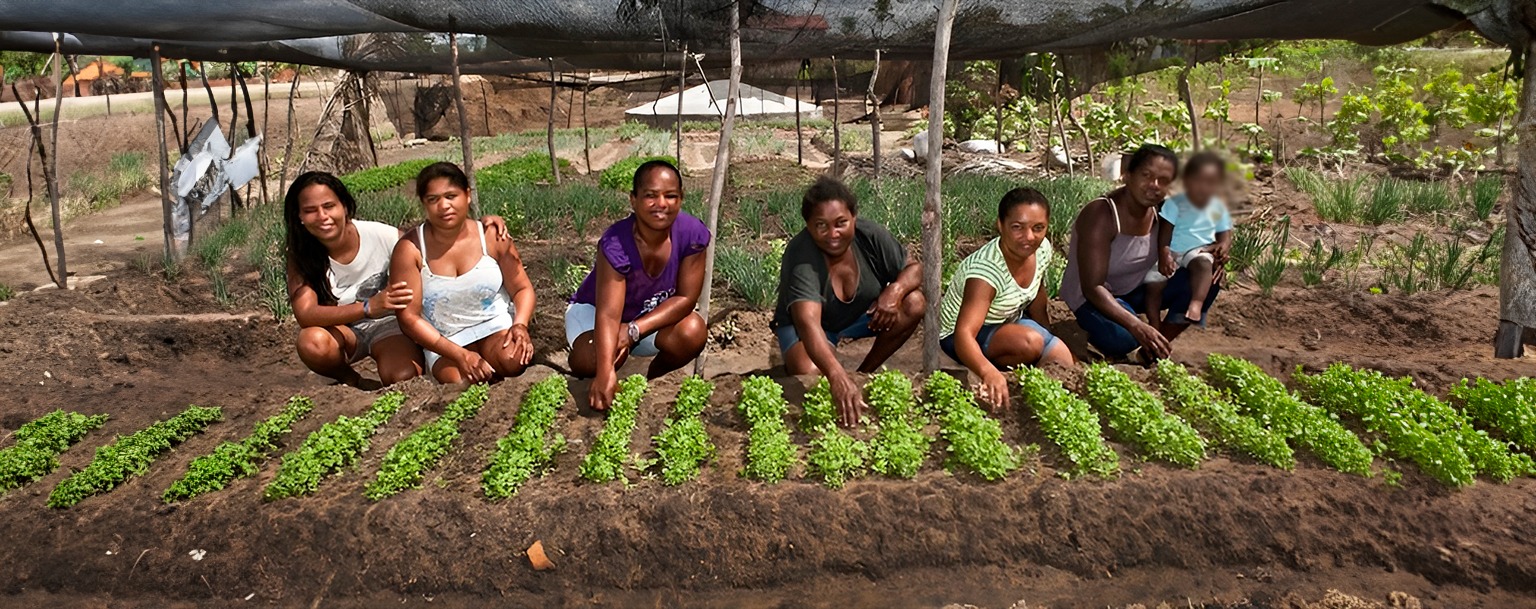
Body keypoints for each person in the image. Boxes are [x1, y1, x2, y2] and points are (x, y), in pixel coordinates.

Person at [284, 171, 510, 387]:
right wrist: (367, 307)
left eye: (329, 206)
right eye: (310, 210)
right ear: (299, 217)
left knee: (402, 376)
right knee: (312, 342)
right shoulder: (301, 255)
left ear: (344, 206)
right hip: (346, 329)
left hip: (390, 324)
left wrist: (477, 226)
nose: (322, 217)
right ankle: (351, 380)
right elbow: (306, 314)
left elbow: (427, 240)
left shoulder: (379, 235)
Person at [772, 176, 925, 427]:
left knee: (914, 303)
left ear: (854, 217)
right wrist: (836, 376)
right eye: (821, 225)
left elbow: (915, 269)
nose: (833, 234)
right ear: (808, 226)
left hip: (859, 316)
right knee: (809, 372)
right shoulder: (802, 255)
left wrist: (895, 290)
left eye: (841, 223)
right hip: (809, 327)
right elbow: (808, 323)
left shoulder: (869, 235)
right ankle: (840, 373)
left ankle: (864, 373)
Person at [567, 160, 710, 411]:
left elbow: (686, 299)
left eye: (670, 196)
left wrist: (633, 330)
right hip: (595, 313)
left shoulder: (691, 233)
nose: (661, 204)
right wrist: (604, 372)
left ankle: (647, 379)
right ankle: (602, 374)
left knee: (692, 331)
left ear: (681, 199)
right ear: (633, 200)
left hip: (646, 318)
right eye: (650, 196)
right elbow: (609, 314)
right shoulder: (616, 243)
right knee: (596, 359)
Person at [1059, 144, 1220, 363]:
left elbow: (1196, 240)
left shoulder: (1163, 212)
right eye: (1146, 175)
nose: (1154, 185)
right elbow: (1092, 287)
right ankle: (1134, 338)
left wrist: (1212, 256)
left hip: (1133, 290)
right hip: (1090, 298)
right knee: (1125, 339)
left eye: (1164, 180)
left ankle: (1153, 348)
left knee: (1208, 280)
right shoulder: (1102, 214)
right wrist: (1136, 325)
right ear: (1128, 174)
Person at [390, 162, 536, 384]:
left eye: (451, 196)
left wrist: (520, 325)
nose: (444, 206)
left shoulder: (491, 236)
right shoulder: (410, 249)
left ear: (467, 195)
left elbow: (522, 288)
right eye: (433, 199)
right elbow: (408, 318)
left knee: (513, 360)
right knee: (461, 382)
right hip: (445, 338)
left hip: (494, 325)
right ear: (423, 204)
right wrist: (460, 355)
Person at [938, 187, 1075, 408]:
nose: (1029, 237)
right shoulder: (986, 272)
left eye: (1038, 228)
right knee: (1030, 343)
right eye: (1017, 227)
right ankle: (996, 367)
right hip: (960, 336)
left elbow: (1038, 292)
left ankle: (1022, 373)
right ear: (1000, 225)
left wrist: (1048, 334)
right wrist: (988, 373)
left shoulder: (1042, 249)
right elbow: (964, 334)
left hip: (1006, 321)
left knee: (1063, 360)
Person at [1143, 152, 1232, 328]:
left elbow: (1225, 234)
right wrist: (1165, 254)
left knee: (1203, 266)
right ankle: (1154, 320)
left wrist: (1223, 247)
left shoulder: (1218, 207)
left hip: (1199, 250)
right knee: (1153, 284)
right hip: (1173, 250)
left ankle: (1196, 303)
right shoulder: (1175, 203)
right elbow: (1165, 232)